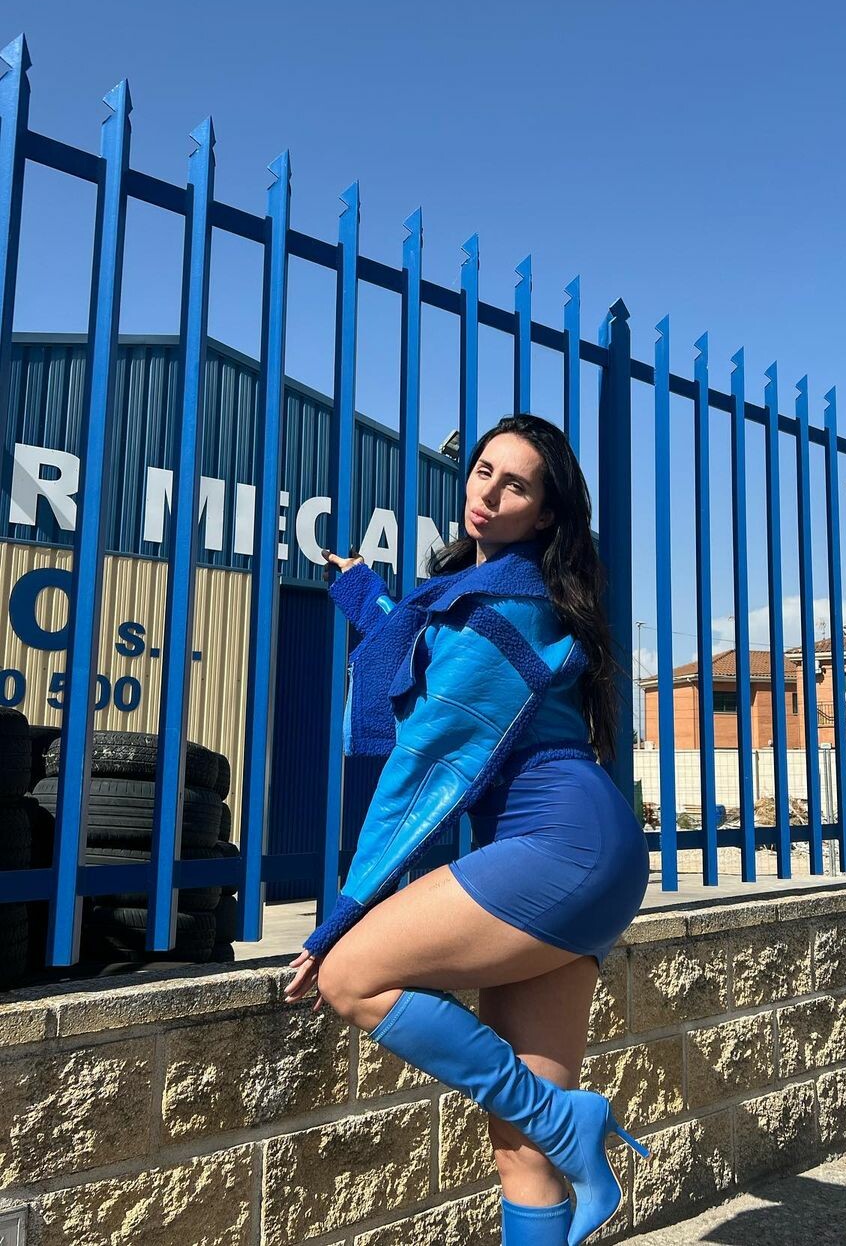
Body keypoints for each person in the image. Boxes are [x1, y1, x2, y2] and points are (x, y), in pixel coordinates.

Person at [284, 413, 652, 1245]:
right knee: (521, 1152)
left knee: (351, 976)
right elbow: (434, 658)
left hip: (560, 845)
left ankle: (565, 1119)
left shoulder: (510, 607)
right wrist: (368, 596)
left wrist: (345, 909)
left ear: (545, 513)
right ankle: (559, 1125)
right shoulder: (495, 601)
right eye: (484, 471)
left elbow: (425, 752)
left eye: (515, 484)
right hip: (587, 849)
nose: (488, 492)